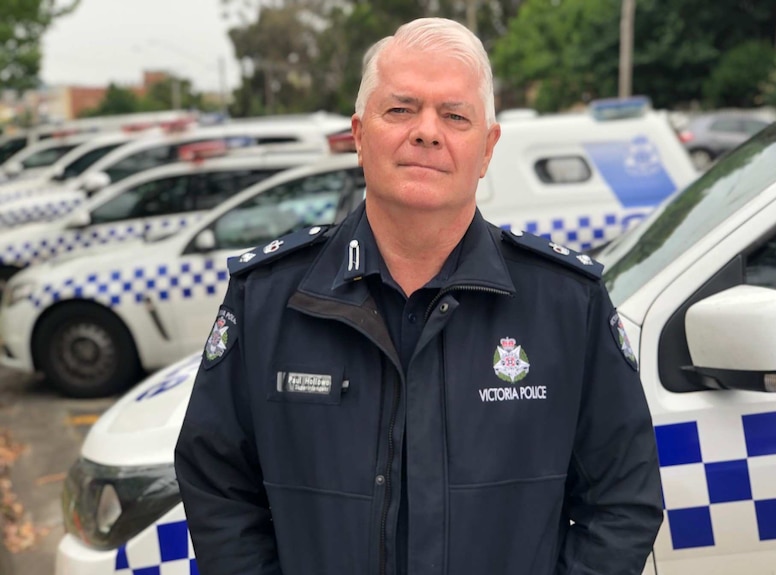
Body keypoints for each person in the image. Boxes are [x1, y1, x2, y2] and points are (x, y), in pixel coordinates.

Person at [175, 17, 663, 575]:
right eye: (400, 110)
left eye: (455, 116)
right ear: (360, 136)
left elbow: (623, 501)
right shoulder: (267, 300)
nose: (427, 131)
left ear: (487, 148)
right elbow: (217, 486)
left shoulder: (566, 306)